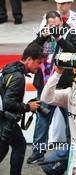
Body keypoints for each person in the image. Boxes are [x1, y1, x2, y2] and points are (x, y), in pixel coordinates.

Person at [27, 10, 76, 164]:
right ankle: (38, 152)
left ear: (61, 21)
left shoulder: (71, 32)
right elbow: (28, 52)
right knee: (42, 120)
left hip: (65, 86)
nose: (52, 28)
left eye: (56, 25)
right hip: (45, 86)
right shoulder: (43, 34)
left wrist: (59, 39)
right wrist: (41, 37)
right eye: (50, 26)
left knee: (71, 121)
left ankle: (72, 151)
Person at [0, 43, 44, 175]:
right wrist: (27, 107)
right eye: (38, 62)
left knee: (9, 147)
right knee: (17, 146)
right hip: (5, 118)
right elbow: (9, 103)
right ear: (29, 59)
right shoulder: (18, 77)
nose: (40, 66)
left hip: (4, 117)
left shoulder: (10, 67)